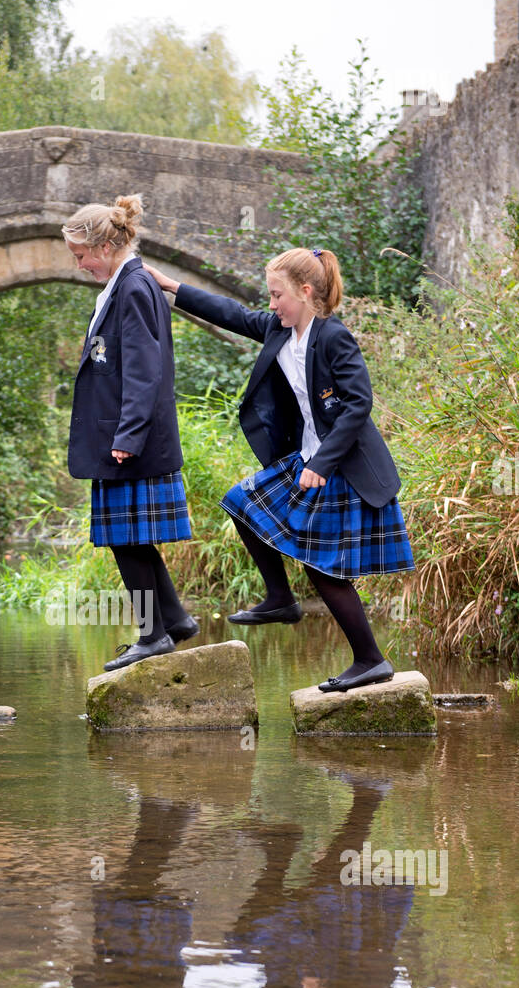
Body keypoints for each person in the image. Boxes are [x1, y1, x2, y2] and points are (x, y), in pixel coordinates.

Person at [144, 249, 414, 691]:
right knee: (241, 502)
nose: (271, 305)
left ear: (305, 292)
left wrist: (323, 463)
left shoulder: (332, 337)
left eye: (277, 295)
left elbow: (358, 403)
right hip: (306, 457)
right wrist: (172, 286)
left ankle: (369, 660)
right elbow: (231, 313)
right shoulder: (280, 330)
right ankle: (280, 599)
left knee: (323, 567)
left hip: (340, 464)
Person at [63, 194, 198, 671]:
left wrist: (128, 436)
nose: (79, 265)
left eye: (80, 256)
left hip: (128, 440)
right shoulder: (127, 285)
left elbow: (145, 371)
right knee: (131, 539)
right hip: (121, 435)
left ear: (102, 246)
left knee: (126, 540)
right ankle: (173, 620)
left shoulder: (135, 287)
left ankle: (151, 634)